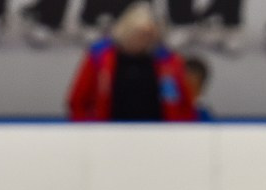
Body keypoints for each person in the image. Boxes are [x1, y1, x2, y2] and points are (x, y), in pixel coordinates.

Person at [67, 1, 198, 122]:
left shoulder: (168, 61)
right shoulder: (100, 56)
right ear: (127, 31)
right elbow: (78, 101)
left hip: (158, 133)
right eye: (141, 34)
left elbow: (185, 106)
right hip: (108, 133)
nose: (146, 40)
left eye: (150, 34)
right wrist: (87, 133)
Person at [184, 55, 213, 120]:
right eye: (182, 86)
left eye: (191, 87)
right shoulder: (164, 114)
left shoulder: (204, 118)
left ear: (200, 89)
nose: (185, 92)